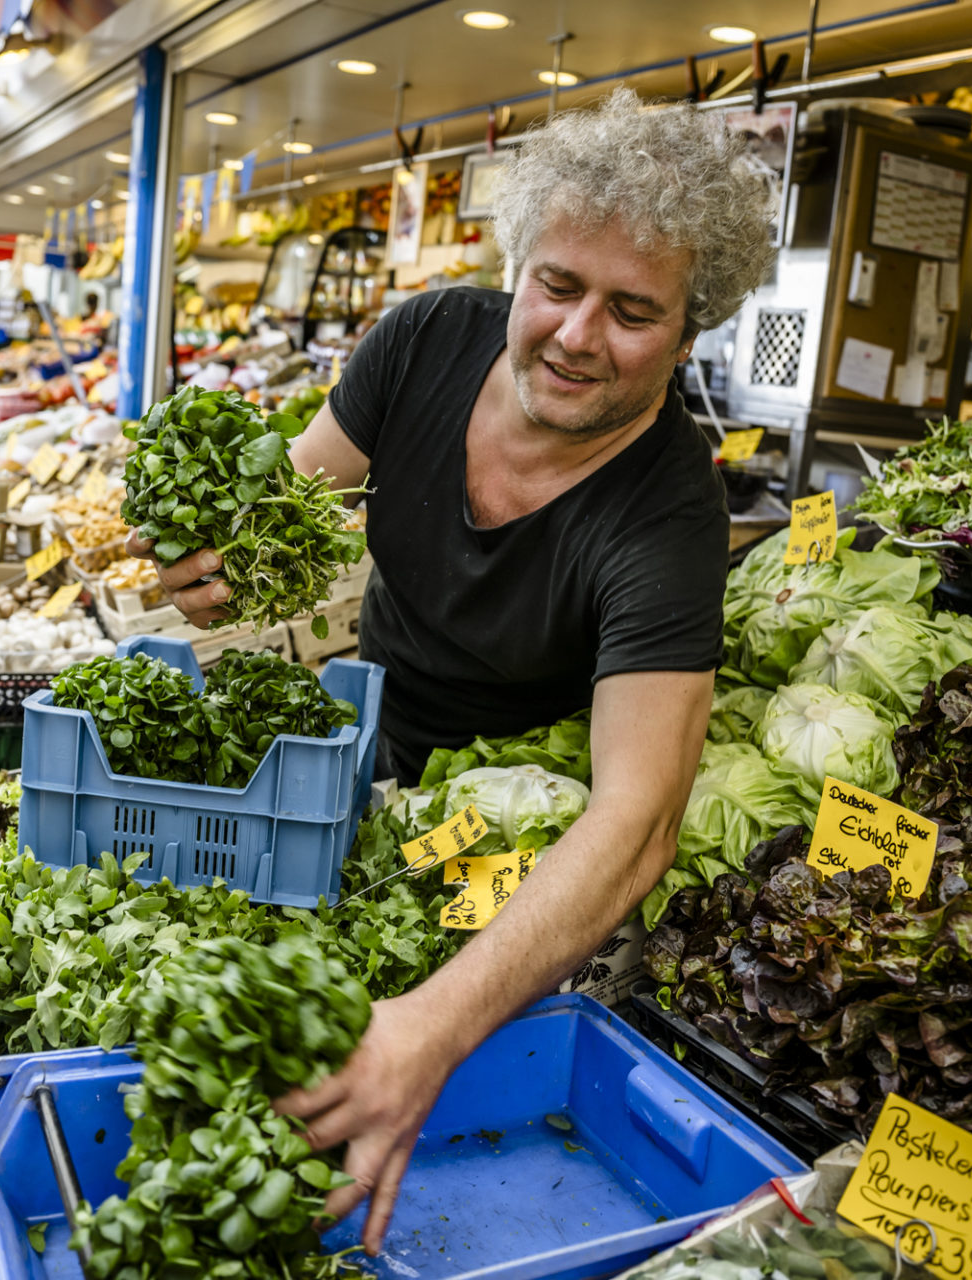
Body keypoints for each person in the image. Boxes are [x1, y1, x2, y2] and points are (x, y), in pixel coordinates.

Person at [130, 89, 778, 1249]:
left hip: (522, 855)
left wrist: (431, 1024)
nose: (579, 336)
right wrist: (217, 553)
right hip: (376, 773)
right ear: (518, 264)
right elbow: (287, 499)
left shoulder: (671, 513)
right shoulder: (425, 340)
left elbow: (638, 818)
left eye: (634, 311)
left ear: (691, 331)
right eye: (559, 285)